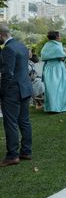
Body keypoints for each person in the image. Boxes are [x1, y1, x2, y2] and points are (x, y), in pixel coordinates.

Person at [0, 24, 33, 166]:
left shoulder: (8, 49)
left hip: (12, 91)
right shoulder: (21, 45)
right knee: (24, 121)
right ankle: (26, 151)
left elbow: (7, 74)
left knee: (11, 122)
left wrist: (2, 92)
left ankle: (12, 155)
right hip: (25, 88)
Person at [40, 31, 66, 113]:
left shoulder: (45, 46)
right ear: (57, 37)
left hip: (48, 68)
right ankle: (59, 106)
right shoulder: (57, 46)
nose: (60, 38)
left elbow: (43, 57)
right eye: (59, 36)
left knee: (50, 88)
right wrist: (65, 52)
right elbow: (62, 57)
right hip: (57, 68)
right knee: (59, 87)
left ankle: (51, 107)